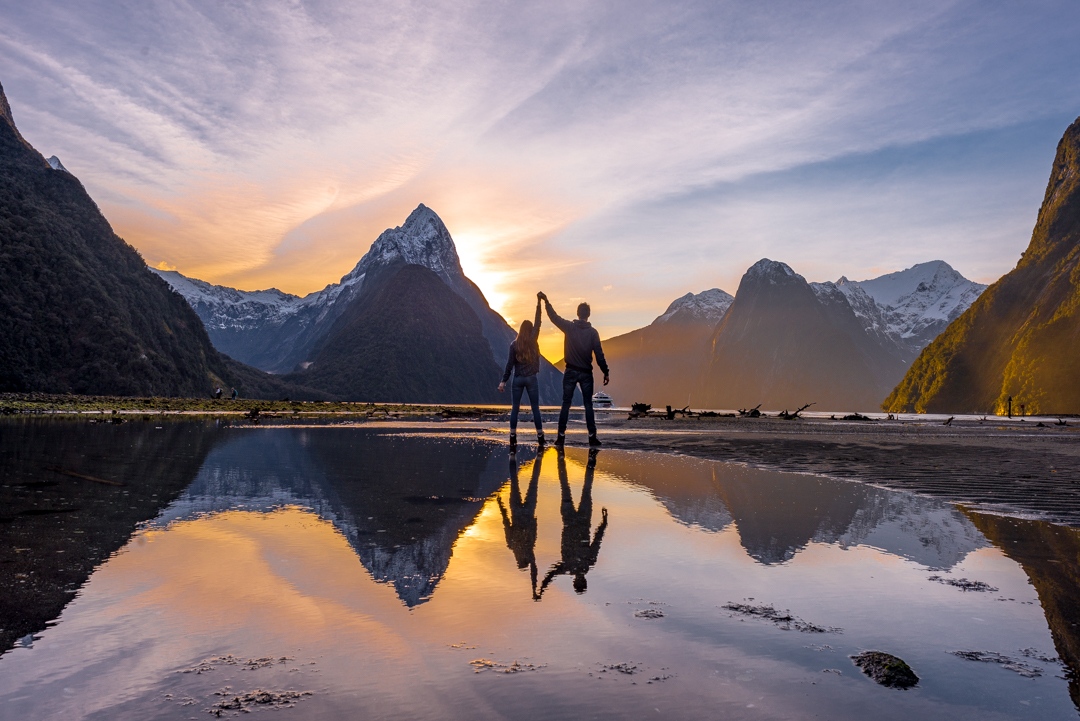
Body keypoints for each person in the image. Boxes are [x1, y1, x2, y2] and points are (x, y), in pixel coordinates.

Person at [538, 292, 609, 447]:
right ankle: (592, 437)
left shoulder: (569, 327)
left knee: (566, 404)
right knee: (588, 405)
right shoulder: (593, 333)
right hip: (586, 372)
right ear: (588, 315)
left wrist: (546, 301)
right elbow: (599, 354)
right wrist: (605, 371)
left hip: (570, 371)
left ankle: (561, 437)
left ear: (578, 313)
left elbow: (554, 317)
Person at [537, 447, 607, 597]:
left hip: (581, 519)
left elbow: (597, 540)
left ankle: (588, 457)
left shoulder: (586, 563)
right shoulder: (570, 566)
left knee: (586, 488)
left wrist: (604, 523)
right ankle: (561, 455)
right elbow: (551, 574)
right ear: (575, 582)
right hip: (570, 519)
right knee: (565, 486)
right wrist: (542, 588)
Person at [498, 294, 545, 447]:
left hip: (517, 379)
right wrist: (539, 303)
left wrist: (503, 381)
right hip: (531, 378)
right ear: (530, 330)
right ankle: (540, 437)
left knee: (515, 409)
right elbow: (538, 323)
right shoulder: (533, 341)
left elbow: (509, 365)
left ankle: (512, 436)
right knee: (535, 408)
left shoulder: (514, 345)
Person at [496, 450, 543, 599]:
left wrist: (535, 588)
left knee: (534, 481)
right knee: (514, 481)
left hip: (528, 512)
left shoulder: (528, 551)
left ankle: (538, 457)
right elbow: (505, 522)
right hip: (517, 511)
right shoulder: (512, 545)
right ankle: (512, 457)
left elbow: (534, 569)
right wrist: (500, 505)